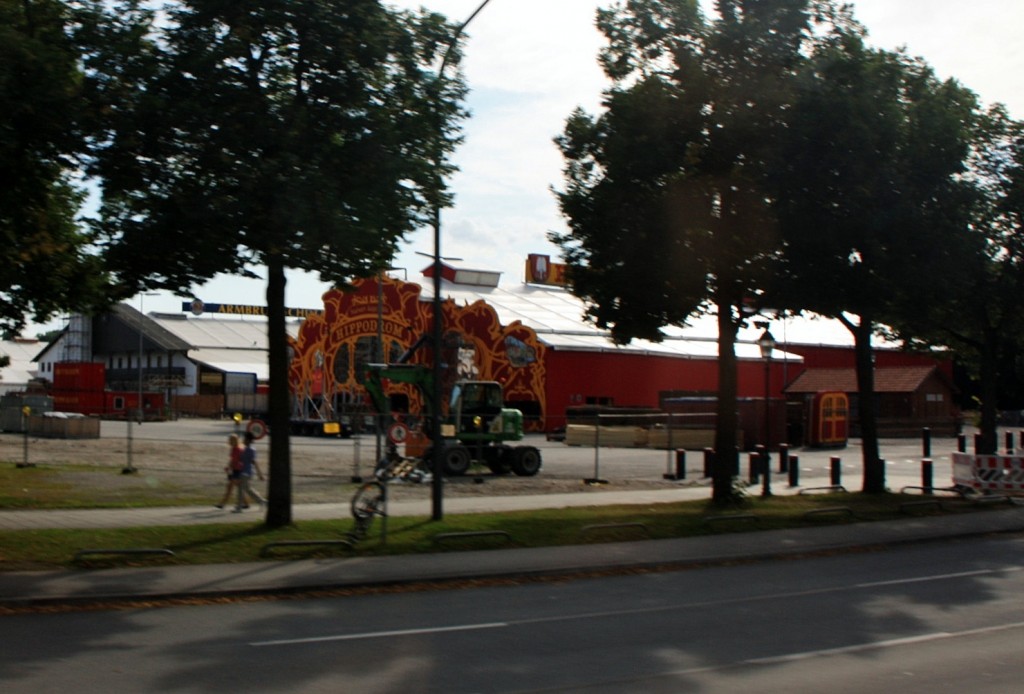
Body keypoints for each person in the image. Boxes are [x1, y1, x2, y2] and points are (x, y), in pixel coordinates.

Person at [234, 431, 266, 512]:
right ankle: (262, 501)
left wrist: (260, 474)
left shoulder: (251, 449)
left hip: (247, 472)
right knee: (248, 489)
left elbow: (254, 462)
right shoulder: (242, 448)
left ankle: (239, 507)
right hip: (242, 470)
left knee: (241, 489)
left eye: (245, 438)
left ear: (248, 440)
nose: (244, 440)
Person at [216, 434, 244, 509]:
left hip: (237, 470)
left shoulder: (237, 449)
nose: (229, 442)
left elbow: (235, 460)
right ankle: (246, 503)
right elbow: (232, 460)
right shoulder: (235, 448)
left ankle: (222, 504)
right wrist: (229, 467)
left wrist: (229, 467)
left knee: (230, 487)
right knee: (238, 487)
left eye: (231, 440)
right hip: (235, 470)